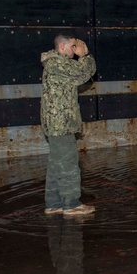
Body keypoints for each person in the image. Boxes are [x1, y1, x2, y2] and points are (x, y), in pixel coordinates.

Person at [41, 34, 97, 216]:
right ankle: (71, 204)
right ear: (63, 47)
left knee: (56, 164)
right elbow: (83, 74)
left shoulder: (55, 63)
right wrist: (85, 55)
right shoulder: (58, 64)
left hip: (57, 122)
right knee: (68, 162)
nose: (76, 49)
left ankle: (54, 203)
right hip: (61, 122)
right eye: (73, 46)